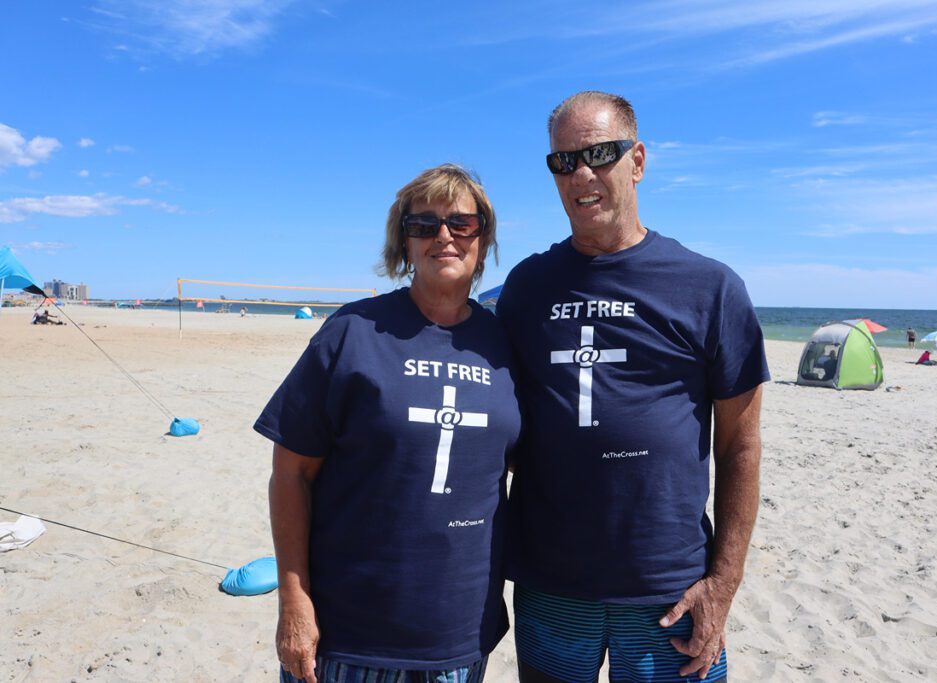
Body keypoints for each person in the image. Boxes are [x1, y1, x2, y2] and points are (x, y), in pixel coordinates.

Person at [497, 91, 769, 683]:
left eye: (599, 153)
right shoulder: (526, 287)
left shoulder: (710, 287)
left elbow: (740, 446)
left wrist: (723, 584)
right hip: (551, 584)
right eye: (563, 161)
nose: (581, 174)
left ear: (638, 160)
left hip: (670, 587)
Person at [255, 164, 520, 683]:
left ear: (483, 240)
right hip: (350, 637)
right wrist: (294, 603)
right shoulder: (352, 333)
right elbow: (290, 475)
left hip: (460, 636)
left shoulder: (505, 343)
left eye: (461, 223)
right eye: (424, 225)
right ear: (404, 243)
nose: (443, 236)